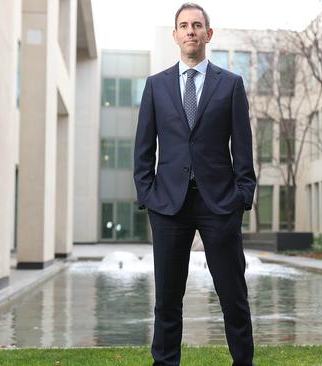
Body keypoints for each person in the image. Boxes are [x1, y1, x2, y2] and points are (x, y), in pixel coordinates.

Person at [133, 3, 256, 365]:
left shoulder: (231, 85)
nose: (190, 31)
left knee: (233, 296)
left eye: (197, 25)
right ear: (175, 35)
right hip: (169, 206)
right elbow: (143, 149)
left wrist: (242, 197)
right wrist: (148, 195)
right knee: (167, 300)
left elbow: (243, 149)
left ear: (208, 34)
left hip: (219, 205)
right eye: (184, 25)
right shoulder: (155, 86)